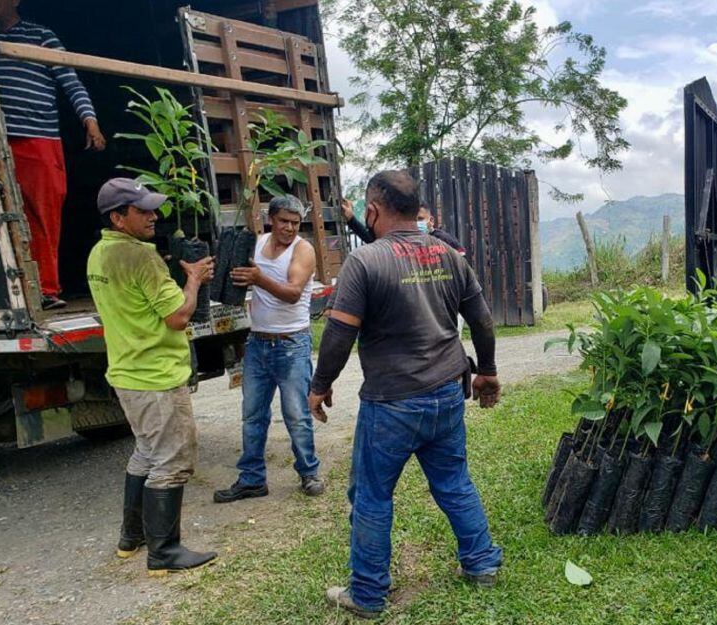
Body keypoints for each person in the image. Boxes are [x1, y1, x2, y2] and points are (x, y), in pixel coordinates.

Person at [310, 170, 502, 618]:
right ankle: (482, 564)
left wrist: (319, 386)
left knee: (373, 497)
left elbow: (339, 333)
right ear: (416, 209)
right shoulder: (449, 254)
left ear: (372, 211)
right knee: (454, 482)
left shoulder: (365, 261)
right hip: (448, 393)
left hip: (392, 404)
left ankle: (369, 594)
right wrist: (487, 372)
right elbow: (483, 320)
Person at [87, 178, 216, 575]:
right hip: (156, 376)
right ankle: (164, 552)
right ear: (118, 217)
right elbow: (178, 317)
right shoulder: (142, 259)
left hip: (127, 372)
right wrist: (193, 280)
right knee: (173, 459)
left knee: (146, 452)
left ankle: (133, 538)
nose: (153, 217)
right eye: (142, 211)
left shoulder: (99, 254)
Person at [213, 195, 324, 503]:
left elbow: (292, 293)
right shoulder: (259, 243)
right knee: (252, 415)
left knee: (296, 415)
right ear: (270, 220)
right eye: (283, 221)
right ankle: (251, 479)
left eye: (295, 223)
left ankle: (308, 472)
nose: (289, 228)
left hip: (292, 343)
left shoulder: (303, 250)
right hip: (259, 342)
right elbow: (242, 277)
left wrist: (259, 279)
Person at [0, 0, 106, 310]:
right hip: (1, 139)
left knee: (42, 214)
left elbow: (72, 82)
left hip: (38, 139)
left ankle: (45, 288)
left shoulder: (41, 35)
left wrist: (90, 121)